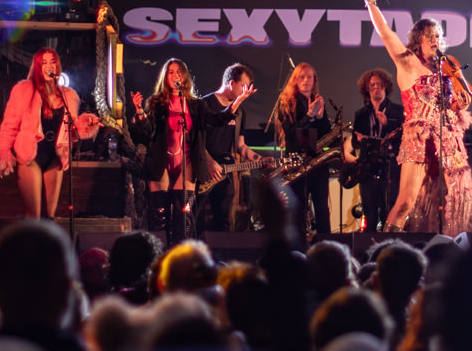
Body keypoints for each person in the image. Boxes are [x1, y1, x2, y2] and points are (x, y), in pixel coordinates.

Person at [360, 0, 472, 234]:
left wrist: (460, 103)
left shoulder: (445, 71)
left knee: (453, 201)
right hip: (420, 137)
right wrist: (370, 1)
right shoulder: (408, 63)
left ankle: (444, 254)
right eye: (430, 36)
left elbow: (450, 107)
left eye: (438, 36)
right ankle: (386, 253)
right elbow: (385, 34)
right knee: (406, 202)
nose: (436, 40)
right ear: (419, 38)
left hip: (447, 140)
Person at [128, 58, 254, 240]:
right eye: (170, 72)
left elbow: (218, 120)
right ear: (165, 77)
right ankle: (160, 256)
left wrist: (237, 102)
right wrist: (139, 112)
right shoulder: (157, 103)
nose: (174, 76)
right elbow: (148, 134)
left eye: (178, 72)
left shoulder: (196, 105)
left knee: (184, 216)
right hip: (162, 162)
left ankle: (181, 258)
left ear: (185, 77)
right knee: (160, 216)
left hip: (186, 161)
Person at [0, 48, 102, 219]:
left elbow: (70, 131)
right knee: (33, 215)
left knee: (50, 215)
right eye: (44, 63)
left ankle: (47, 245)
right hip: (30, 155)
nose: (49, 66)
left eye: (53, 62)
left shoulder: (68, 96)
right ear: (37, 67)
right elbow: (9, 125)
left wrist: (86, 124)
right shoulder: (23, 91)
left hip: (55, 157)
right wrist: (3, 151)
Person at [199, 63, 264, 232]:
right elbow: (196, 140)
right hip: (202, 170)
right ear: (232, 84)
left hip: (224, 172)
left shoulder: (240, 112)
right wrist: (210, 161)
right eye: (243, 86)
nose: (246, 92)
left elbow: (240, 145)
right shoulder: (204, 104)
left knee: (224, 221)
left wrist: (259, 159)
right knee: (197, 221)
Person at [272, 62, 334, 237]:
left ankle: (326, 247)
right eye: (302, 76)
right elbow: (291, 133)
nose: (306, 80)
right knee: (298, 209)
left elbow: (327, 134)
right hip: (296, 163)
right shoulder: (286, 102)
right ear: (295, 80)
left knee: (322, 208)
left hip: (318, 163)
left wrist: (321, 117)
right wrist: (309, 116)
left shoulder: (318, 101)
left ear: (314, 80)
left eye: (309, 77)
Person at [345, 68, 404, 230]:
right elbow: (356, 144)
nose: (376, 88)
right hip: (367, 168)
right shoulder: (361, 114)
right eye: (372, 85)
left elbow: (404, 139)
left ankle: (389, 250)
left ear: (386, 86)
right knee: (369, 212)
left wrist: (387, 125)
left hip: (390, 168)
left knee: (388, 211)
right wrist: (359, 141)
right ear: (367, 89)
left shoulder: (397, 111)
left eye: (379, 84)